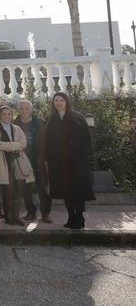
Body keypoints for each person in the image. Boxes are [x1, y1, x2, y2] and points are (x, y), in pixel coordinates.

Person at [45, 92, 95, 229]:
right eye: (56, 100)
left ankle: (79, 218)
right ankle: (71, 217)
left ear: (67, 102)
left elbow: (86, 140)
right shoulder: (51, 119)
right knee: (65, 191)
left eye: (62, 100)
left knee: (77, 191)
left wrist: (82, 158)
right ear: (53, 103)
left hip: (76, 163)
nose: (59, 103)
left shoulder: (77, 118)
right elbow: (47, 142)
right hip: (58, 164)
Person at [0, 105, 34, 226]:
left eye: (9, 114)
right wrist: (15, 145)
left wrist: (8, 145)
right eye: (4, 114)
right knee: (7, 192)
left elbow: (23, 143)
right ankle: (9, 217)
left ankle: (16, 216)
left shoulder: (16, 128)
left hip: (18, 163)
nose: (7, 116)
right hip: (4, 164)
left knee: (18, 192)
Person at [14, 100, 51, 222]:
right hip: (23, 160)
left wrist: (46, 158)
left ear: (31, 109)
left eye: (27, 108)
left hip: (39, 159)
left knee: (42, 188)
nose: (24, 110)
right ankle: (31, 212)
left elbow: (47, 142)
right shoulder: (14, 124)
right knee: (25, 188)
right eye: (22, 108)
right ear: (18, 110)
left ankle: (45, 213)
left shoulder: (40, 123)